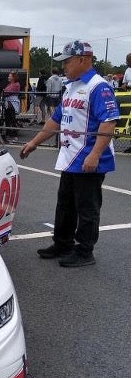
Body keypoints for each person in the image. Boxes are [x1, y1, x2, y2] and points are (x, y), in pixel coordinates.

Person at [19, 40, 118, 267]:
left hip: (89, 158)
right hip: (70, 157)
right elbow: (56, 120)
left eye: (67, 61)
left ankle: (85, 251)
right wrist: (34, 142)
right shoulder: (71, 86)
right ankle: (63, 243)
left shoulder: (99, 86)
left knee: (87, 207)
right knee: (65, 202)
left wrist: (94, 155)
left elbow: (109, 122)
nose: (64, 66)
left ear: (82, 60)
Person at [2, 71, 21, 142]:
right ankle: (8, 134)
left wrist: (4, 91)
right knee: (7, 120)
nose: (8, 77)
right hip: (8, 104)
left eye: (9, 76)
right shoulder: (10, 84)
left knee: (13, 120)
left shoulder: (16, 84)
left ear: (13, 77)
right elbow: (5, 91)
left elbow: (7, 92)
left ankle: (14, 136)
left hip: (12, 104)